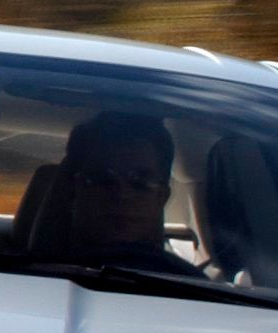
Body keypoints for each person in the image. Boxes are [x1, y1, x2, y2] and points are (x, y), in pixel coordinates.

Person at [13, 108, 182, 267]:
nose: (121, 194)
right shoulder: (10, 285)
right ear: (73, 191)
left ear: (162, 197)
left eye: (140, 183)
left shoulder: (192, 290)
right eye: (102, 180)